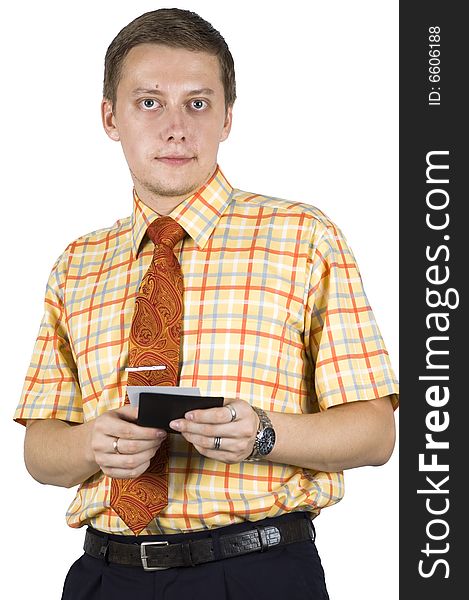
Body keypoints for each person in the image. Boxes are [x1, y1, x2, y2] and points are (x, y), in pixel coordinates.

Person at [14, 8, 399, 600]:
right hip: (105, 575)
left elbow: (375, 433)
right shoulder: (76, 264)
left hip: (257, 573)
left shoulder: (303, 237)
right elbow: (40, 451)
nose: (175, 128)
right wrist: (91, 443)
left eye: (197, 103)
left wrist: (266, 434)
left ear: (227, 118)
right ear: (109, 118)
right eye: (149, 102)